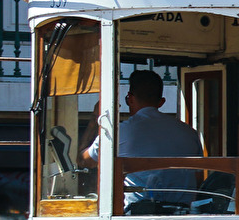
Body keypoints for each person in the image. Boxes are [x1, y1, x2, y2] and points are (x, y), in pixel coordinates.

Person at [84, 69, 205, 208]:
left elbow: (85, 161)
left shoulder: (119, 132)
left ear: (129, 99)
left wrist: (95, 119)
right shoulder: (189, 132)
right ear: (161, 102)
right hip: (183, 214)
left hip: (137, 214)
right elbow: (198, 178)